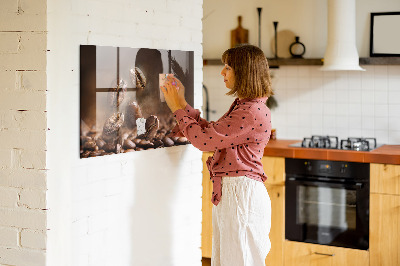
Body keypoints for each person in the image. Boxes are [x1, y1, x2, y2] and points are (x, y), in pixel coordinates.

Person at [161, 44, 273, 266]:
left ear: (244, 72)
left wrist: (177, 108)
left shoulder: (250, 111)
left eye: (228, 67)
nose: (222, 72)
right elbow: (212, 133)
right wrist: (182, 103)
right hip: (236, 193)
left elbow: (204, 141)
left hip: (241, 195)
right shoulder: (246, 106)